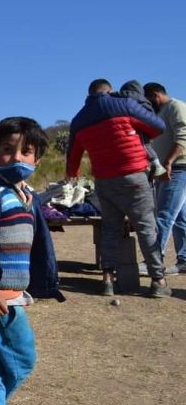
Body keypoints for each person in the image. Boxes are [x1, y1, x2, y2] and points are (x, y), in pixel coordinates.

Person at [0, 117, 65, 405]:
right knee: (22, 359)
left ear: (37, 157)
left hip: (10, 292)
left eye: (26, 151)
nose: (17, 157)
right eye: (8, 149)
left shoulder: (25, 192)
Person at [67, 78, 170, 297]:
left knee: (110, 229)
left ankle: (107, 280)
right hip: (134, 176)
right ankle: (158, 281)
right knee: (146, 227)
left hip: (104, 181)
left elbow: (73, 155)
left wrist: (72, 173)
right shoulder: (123, 104)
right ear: (109, 91)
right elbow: (157, 127)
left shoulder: (79, 120)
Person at [144, 82, 186, 275]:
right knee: (179, 217)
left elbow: (183, 137)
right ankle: (184, 260)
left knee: (163, 216)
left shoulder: (175, 107)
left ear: (156, 94)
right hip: (168, 169)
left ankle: (154, 260)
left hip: (178, 168)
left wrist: (168, 162)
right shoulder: (160, 114)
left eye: (149, 99)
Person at [110, 80, 167, 179]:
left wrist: (110, 94)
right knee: (146, 145)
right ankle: (155, 165)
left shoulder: (125, 99)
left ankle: (155, 165)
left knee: (143, 146)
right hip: (143, 129)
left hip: (133, 130)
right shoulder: (143, 101)